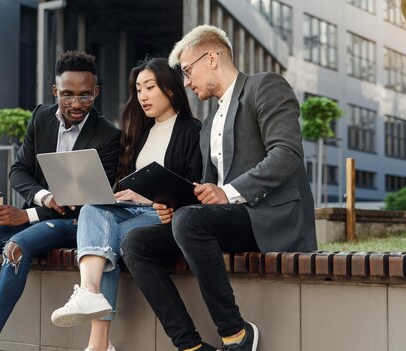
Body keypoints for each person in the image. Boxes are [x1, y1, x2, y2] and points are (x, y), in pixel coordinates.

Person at [121, 25, 317, 351]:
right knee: (136, 242)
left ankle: (236, 335)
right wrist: (174, 204)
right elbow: (205, 189)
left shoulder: (264, 86)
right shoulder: (208, 124)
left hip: (270, 216)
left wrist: (227, 193)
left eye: (187, 71)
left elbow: (287, 155)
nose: (185, 82)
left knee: (190, 221)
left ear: (211, 58)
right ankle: (191, 346)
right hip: (227, 221)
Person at [0, 51, 120, 351]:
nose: (76, 104)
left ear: (96, 92)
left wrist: (28, 215)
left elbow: (89, 200)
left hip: (73, 223)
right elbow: (18, 170)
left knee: (15, 249)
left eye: (86, 96)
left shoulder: (109, 136)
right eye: (68, 94)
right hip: (39, 212)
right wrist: (42, 195)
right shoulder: (41, 117)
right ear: (55, 90)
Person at [50, 57, 203, 351]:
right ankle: (90, 292)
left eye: (149, 87)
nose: (142, 96)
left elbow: (194, 187)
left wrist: (148, 197)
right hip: (132, 210)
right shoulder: (140, 133)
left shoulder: (191, 130)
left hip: (165, 215)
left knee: (103, 243)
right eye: (138, 89)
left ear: (170, 90)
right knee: (93, 210)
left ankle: (98, 344)